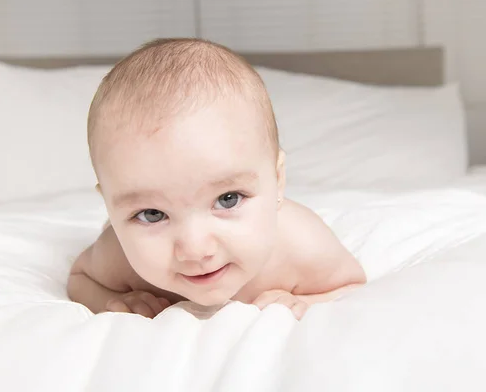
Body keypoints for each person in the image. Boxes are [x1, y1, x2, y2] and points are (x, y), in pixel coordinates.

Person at [67, 38, 366, 320]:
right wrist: (111, 301)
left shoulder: (301, 244)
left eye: (228, 199)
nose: (195, 250)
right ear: (109, 207)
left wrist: (305, 303)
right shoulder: (118, 255)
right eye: (152, 214)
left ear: (277, 180)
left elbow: (351, 286)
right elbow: (81, 279)